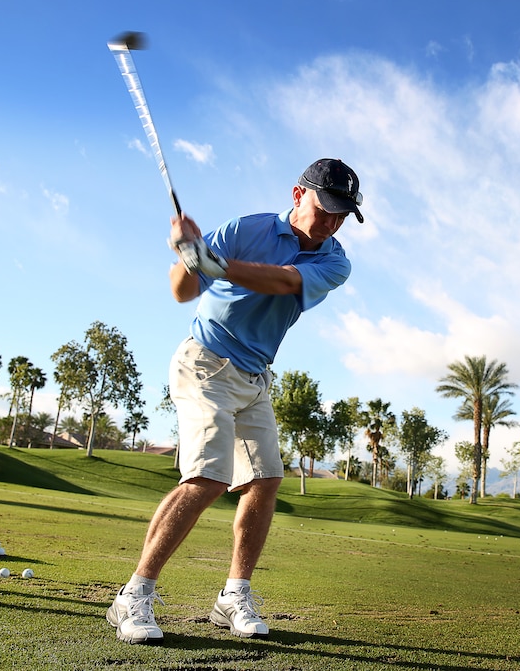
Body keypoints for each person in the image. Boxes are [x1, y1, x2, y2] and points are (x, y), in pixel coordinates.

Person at [107, 158, 363, 645]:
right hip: (204, 361)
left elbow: (285, 281)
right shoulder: (246, 229)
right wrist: (189, 255)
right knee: (207, 478)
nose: (330, 222)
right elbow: (182, 291)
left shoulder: (335, 261)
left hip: (255, 376)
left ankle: (233, 596)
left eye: (341, 214)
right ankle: (133, 596)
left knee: (266, 479)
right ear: (297, 194)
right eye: (324, 208)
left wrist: (214, 263)